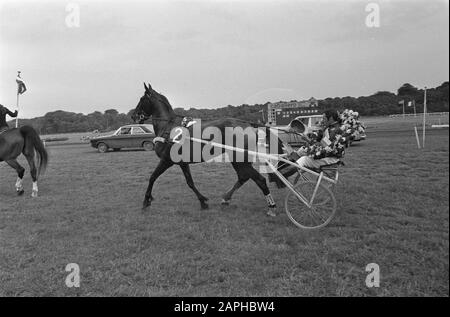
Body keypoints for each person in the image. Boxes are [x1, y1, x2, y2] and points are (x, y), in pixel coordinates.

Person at [283, 109, 346, 175]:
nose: (322, 120)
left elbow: (324, 146)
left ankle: (282, 176)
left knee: (304, 159)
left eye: (324, 118)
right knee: (302, 151)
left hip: (330, 158)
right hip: (327, 155)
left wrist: (309, 143)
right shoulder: (329, 128)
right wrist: (308, 138)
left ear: (331, 118)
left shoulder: (335, 130)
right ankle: (283, 169)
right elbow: (318, 138)